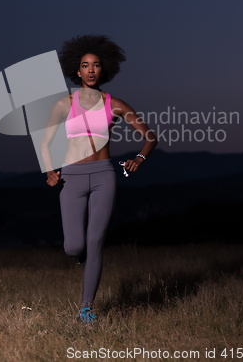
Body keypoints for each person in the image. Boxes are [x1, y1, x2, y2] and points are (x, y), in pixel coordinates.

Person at [40, 35, 158, 326]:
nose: (91, 70)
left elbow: (150, 136)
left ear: (103, 70)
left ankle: (86, 309)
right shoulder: (63, 103)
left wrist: (139, 158)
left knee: (95, 242)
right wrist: (50, 170)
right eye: (85, 65)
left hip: (104, 175)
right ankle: (79, 259)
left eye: (95, 65)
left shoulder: (114, 104)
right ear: (76, 71)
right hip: (72, 178)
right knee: (73, 247)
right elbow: (45, 144)